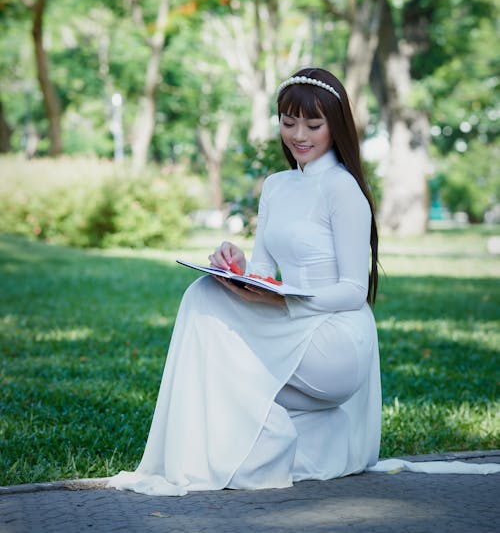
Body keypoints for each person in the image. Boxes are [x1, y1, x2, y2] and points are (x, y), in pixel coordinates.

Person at [108, 66, 382, 496]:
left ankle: (250, 452)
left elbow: (352, 291)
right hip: (292, 322)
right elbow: (264, 274)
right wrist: (236, 264)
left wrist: (285, 303)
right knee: (204, 292)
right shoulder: (276, 186)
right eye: (288, 122)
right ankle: (228, 452)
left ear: (337, 125)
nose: (299, 135)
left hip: (337, 340)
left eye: (314, 124)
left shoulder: (342, 188)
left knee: (205, 305)